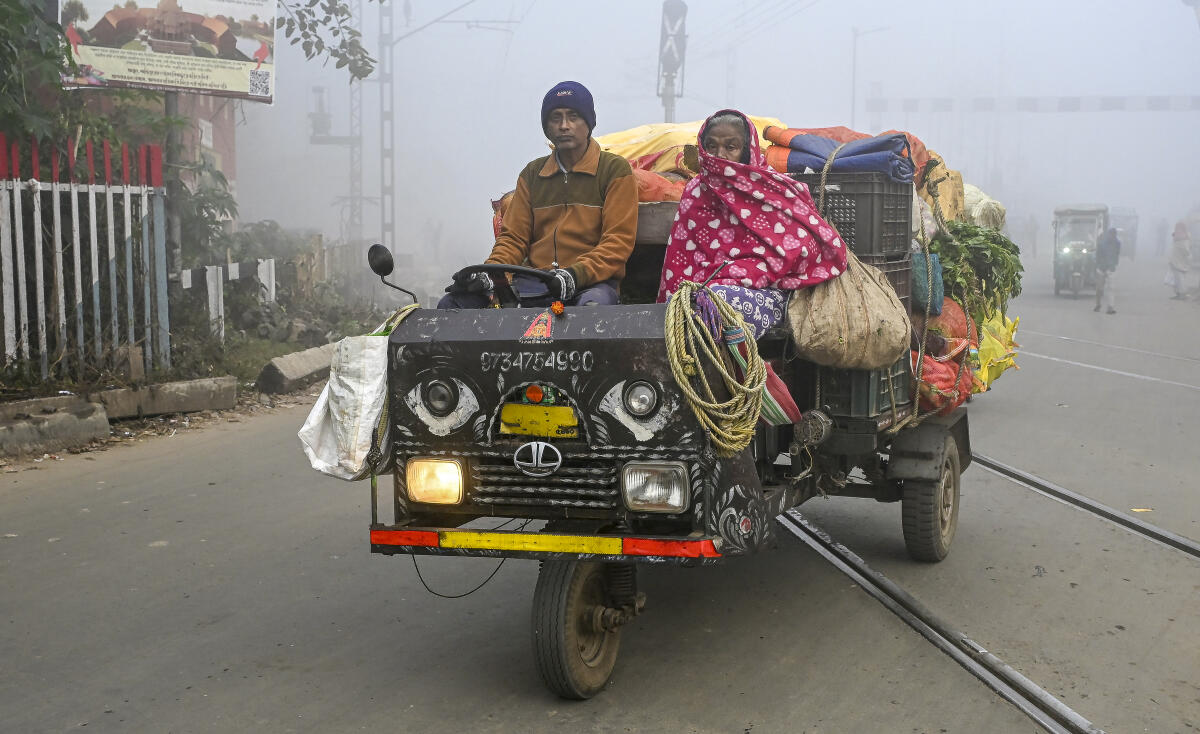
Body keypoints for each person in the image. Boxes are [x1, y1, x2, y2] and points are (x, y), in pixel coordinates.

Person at [439, 81, 637, 309]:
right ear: (546, 127)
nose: (564, 125)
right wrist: (488, 274)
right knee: (452, 305)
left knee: (592, 311)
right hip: (534, 285)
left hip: (591, 285)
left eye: (573, 116)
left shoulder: (614, 171)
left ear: (589, 123)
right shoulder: (532, 174)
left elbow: (617, 243)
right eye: (555, 118)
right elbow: (513, 239)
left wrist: (575, 275)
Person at [656, 109, 847, 337]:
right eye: (712, 146)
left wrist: (744, 273)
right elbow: (680, 261)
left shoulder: (775, 190)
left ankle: (739, 370)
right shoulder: (697, 192)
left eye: (731, 147)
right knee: (685, 307)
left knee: (722, 303)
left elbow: (806, 249)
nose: (720, 155)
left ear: (747, 150)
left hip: (768, 292)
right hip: (702, 291)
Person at [1093, 227, 1120, 314]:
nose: (1113, 236)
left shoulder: (1118, 243)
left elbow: (1117, 255)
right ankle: (1098, 304)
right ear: (1108, 235)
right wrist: (1099, 266)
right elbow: (1098, 256)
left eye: (1114, 235)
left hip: (1111, 269)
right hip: (1101, 268)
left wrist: (1114, 265)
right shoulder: (1102, 244)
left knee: (1111, 288)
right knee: (1099, 289)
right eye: (1111, 234)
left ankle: (1110, 307)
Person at [1166, 221, 1190, 300]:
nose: (1177, 230)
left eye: (1178, 228)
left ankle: (1182, 294)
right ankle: (1178, 293)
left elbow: (1186, 250)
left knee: (1179, 278)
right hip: (1175, 260)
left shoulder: (1184, 238)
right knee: (1176, 278)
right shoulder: (1180, 236)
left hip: (1179, 261)